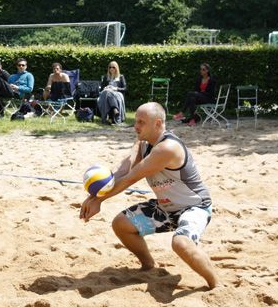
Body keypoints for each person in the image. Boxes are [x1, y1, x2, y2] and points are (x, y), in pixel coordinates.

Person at [80, 102, 220, 289]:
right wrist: (95, 195)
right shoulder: (143, 142)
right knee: (121, 224)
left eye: (141, 122)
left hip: (194, 207)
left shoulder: (167, 148)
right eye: (136, 121)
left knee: (180, 243)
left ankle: (216, 284)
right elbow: (125, 168)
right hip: (166, 207)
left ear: (158, 123)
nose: (135, 126)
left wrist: (100, 201)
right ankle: (148, 265)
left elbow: (131, 178)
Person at [97, 60, 127, 124]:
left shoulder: (121, 77)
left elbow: (125, 88)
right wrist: (106, 88)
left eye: (113, 67)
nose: (111, 69)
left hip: (117, 93)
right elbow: (101, 88)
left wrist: (115, 88)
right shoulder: (106, 77)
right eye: (110, 67)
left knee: (108, 95)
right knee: (107, 93)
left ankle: (108, 118)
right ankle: (114, 109)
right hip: (106, 93)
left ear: (116, 68)